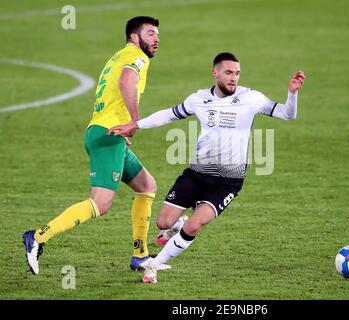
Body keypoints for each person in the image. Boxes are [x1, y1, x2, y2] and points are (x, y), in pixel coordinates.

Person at [107, 52, 305, 283]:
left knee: (194, 225)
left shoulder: (250, 98)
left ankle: (154, 265)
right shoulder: (199, 99)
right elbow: (169, 115)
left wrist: (292, 93)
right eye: (229, 72)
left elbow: (287, 114)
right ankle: (175, 227)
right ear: (215, 73)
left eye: (237, 73)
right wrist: (136, 124)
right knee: (163, 223)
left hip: (227, 181)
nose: (234, 78)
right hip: (197, 174)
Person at [22, 16, 170, 275]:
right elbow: (127, 82)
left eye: (157, 34)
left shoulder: (118, 56)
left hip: (106, 132)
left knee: (147, 186)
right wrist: (134, 121)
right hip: (109, 134)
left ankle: (140, 255)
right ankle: (38, 236)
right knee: (100, 204)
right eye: (150, 34)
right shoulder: (137, 57)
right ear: (134, 37)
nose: (156, 39)